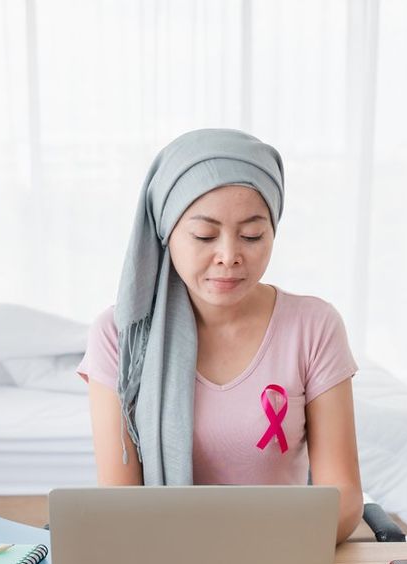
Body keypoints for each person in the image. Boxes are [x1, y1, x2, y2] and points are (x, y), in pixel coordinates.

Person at [76, 128, 363, 542]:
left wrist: (262, 551)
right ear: (166, 232)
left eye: (252, 235)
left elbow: (345, 494)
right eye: (204, 236)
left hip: (281, 559)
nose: (229, 254)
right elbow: (121, 503)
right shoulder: (119, 336)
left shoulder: (314, 326)